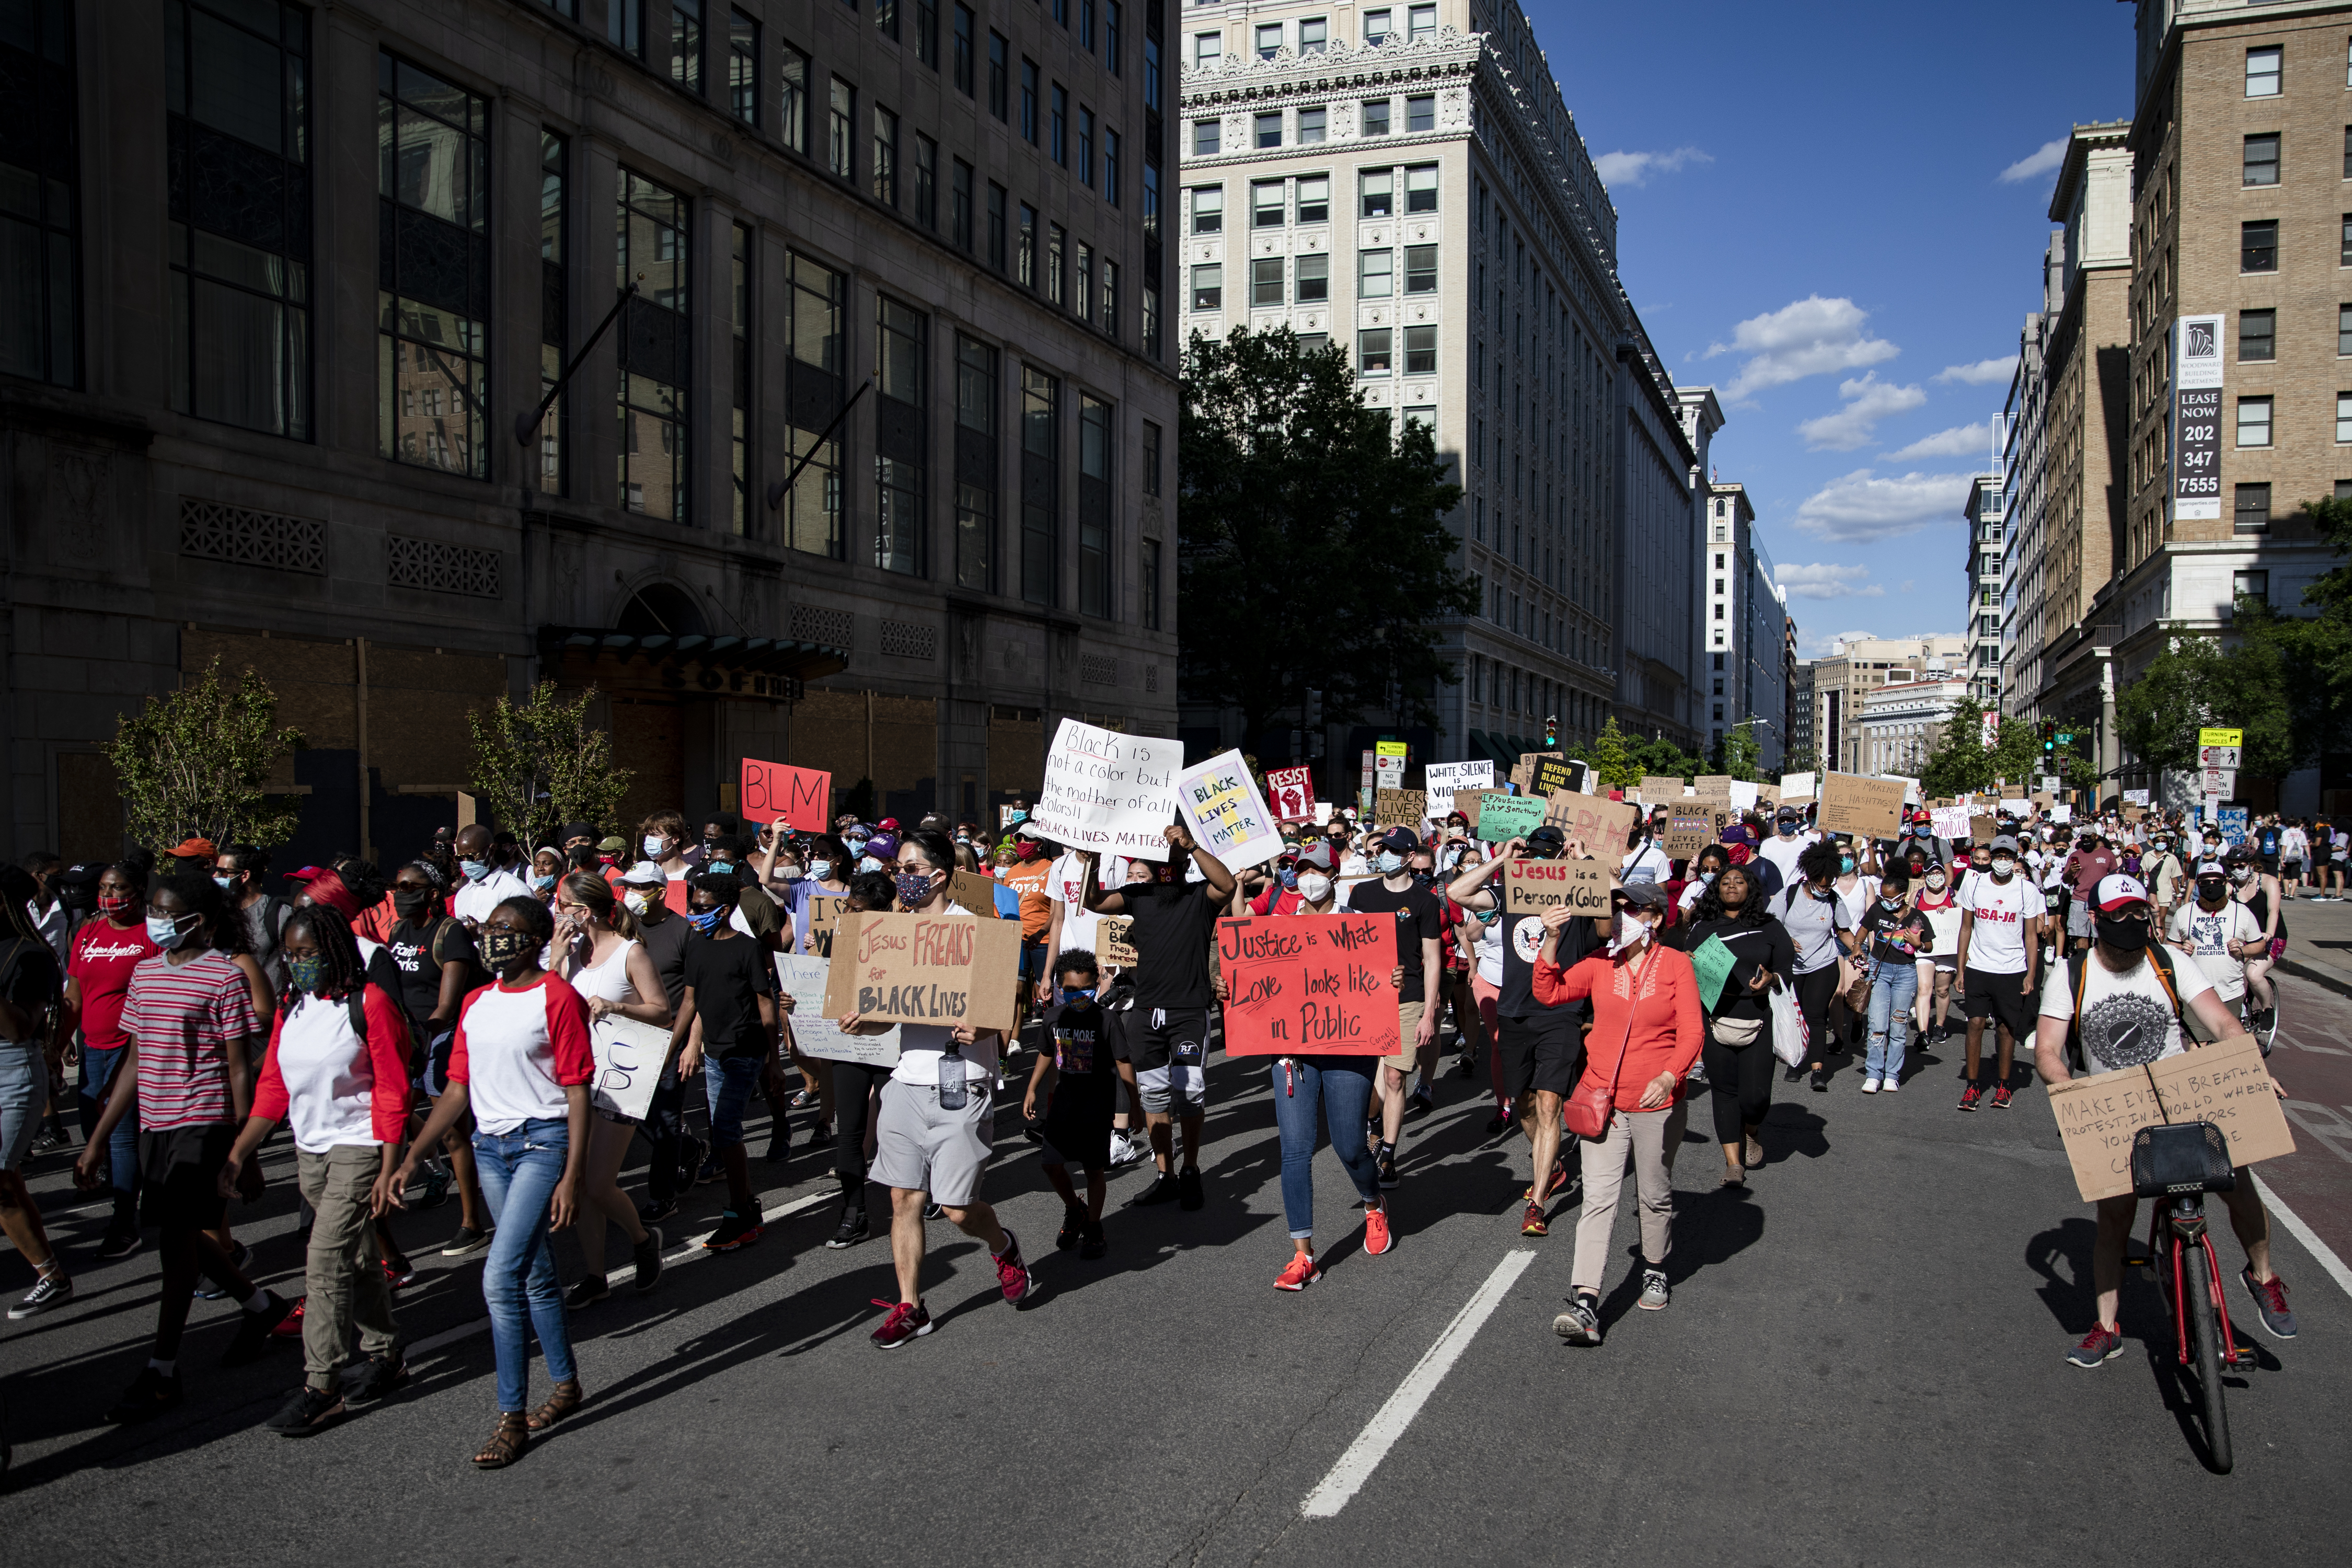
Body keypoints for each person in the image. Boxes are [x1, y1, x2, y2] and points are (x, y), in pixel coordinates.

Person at [2034, 873, 2299, 1364]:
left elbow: (2221, 1022)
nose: (2133, 922)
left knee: (2239, 1180)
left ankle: (2263, 1276)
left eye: (2140, 912)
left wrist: (2251, 1067)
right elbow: (2049, 1051)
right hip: (2115, 1108)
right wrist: (2068, 1089)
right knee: (2114, 1218)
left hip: (2183, 1098)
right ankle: (2107, 1326)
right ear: (2096, 919)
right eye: (2120, 915)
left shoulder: (2171, 962)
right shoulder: (2072, 974)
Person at [74, 874, 291, 1422]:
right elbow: (135, 1061)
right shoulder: (145, 974)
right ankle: (261, 1306)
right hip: (157, 1123)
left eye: (165, 912)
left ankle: (162, 1371)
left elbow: (240, 1066)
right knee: (183, 1234)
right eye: (152, 909)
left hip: (205, 1123)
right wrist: (99, 1139)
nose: (155, 919)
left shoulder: (223, 977)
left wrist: (246, 1151)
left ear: (200, 920)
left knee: (175, 1245)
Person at [386, 894, 593, 1467]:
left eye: (509, 929)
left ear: (535, 940)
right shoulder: (476, 1001)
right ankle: (567, 1385)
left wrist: (573, 1175)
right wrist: (412, 1156)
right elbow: (456, 1090)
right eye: (492, 927)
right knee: (534, 1275)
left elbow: (578, 1090)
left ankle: (511, 1417)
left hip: (541, 1145)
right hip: (490, 1149)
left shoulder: (558, 996)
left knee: (500, 1280)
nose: (495, 936)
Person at [217, 907, 412, 1434]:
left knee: (324, 1261)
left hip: (360, 1146)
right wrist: (240, 1150)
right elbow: (274, 1089)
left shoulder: (368, 1003)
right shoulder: (292, 1008)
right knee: (357, 1254)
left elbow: (393, 1087)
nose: (299, 964)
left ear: (335, 952)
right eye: (292, 955)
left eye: (308, 954)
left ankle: (320, 1386)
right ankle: (385, 1354)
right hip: (312, 1151)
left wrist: (391, 1165)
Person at [841, 829, 1035, 1347]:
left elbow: (1004, 1006)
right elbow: (887, 1018)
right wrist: (861, 1021)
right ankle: (911, 1307)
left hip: (961, 1081)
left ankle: (1003, 1246)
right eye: (897, 870)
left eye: (908, 869)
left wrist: (986, 1027)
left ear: (938, 875)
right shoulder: (888, 935)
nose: (900, 878)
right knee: (904, 1199)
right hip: (906, 1082)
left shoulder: (978, 932)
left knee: (956, 1208)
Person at [1540, 881, 1703, 1347]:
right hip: (1602, 1101)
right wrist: (1551, 938)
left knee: (1654, 1194)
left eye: (1633, 907)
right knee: (1598, 1199)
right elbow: (1549, 993)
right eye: (1619, 907)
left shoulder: (1675, 965)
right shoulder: (1599, 964)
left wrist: (1671, 1075)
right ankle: (1585, 1302)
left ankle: (1654, 1269)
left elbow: (1692, 1030)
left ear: (1656, 917)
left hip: (1656, 1101)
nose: (1623, 913)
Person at [1445, 826, 1595, 1233]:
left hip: (1561, 1011)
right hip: (1514, 1012)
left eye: (1550, 854)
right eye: (1534, 853)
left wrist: (1584, 860)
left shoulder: (1579, 894)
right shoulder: (1510, 890)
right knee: (1525, 1104)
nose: (1541, 860)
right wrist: (1500, 860)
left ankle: (1539, 1200)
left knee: (1549, 1105)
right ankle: (1554, 1165)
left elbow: (1613, 901)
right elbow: (1457, 894)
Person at [1082, 821, 1237, 1210]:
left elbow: (1229, 886)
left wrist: (1192, 845)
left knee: (1189, 1091)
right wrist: (1093, 862)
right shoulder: (1137, 895)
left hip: (1189, 1012)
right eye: (1160, 862)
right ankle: (1165, 1174)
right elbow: (1095, 903)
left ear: (1186, 863)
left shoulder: (1201, 896)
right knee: (1153, 1094)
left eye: (1176, 859)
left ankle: (1191, 1169)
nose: (1168, 866)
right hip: (1146, 1012)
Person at [552, 871, 671, 1301]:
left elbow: (662, 1011)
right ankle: (595, 1274)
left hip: (619, 1077)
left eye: (562, 904)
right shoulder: (568, 954)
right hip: (577, 1078)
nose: (555, 910)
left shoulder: (630, 953)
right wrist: (554, 959)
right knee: (580, 1181)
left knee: (599, 1183)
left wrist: (614, 1005)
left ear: (583, 912)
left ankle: (642, 1239)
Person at [383, 860, 495, 1254]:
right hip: (405, 1041)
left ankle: (471, 1222)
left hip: (440, 1039)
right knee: (389, 1118)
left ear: (432, 894)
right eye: (397, 886)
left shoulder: (449, 934)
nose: (400, 893)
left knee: (452, 1132)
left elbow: (446, 1006)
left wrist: (421, 1036)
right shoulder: (397, 931)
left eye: (410, 886)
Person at [668, 871, 779, 1253]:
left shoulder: (746, 949)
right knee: (723, 1133)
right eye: (692, 907)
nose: (694, 913)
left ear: (725, 910)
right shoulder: (696, 946)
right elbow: (689, 1001)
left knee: (727, 1131)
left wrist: (774, 1061)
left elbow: (766, 1003)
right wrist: (669, 1051)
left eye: (702, 908)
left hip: (744, 1053)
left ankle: (738, 1216)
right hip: (715, 1054)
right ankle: (749, 1207)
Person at [1677, 860, 1791, 1187]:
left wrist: (1772, 979)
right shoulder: (1701, 928)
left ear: (1750, 888)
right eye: (1725, 881)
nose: (1731, 886)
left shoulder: (1770, 926)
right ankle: (1733, 1163)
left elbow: (1787, 967)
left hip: (1758, 1018)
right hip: (1715, 1020)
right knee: (1724, 1092)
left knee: (1755, 1098)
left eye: (1738, 881)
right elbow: (1686, 975)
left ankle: (1751, 1130)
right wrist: (1686, 964)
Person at [66, 862, 160, 1258]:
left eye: (119, 888)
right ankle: (116, 1193)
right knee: (93, 1128)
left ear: (139, 889)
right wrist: (57, 1045)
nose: (109, 896)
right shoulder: (88, 932)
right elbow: (75, 993)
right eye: (105, 888)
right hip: (92, 1048)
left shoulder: (152, 935)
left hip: (131, 1050)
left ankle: (124, 1222)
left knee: (120, 1138)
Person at [1348, 828, 1445, 1188]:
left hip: (1409, 998)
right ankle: (1375, 1125)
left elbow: (1432, 959)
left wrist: (1430, 1012)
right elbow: (1346, 947)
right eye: (1381, 848)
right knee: (1369, 1083)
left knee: (1394, 1076)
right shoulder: (1362, 893)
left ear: (1408, 857)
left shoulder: (1425, 901)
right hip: (1367, 999)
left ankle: (1388, 1154)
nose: (1384, 854)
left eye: (1392, 850)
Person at [1, 868, 70, 1319]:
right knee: (9, 1182)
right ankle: (52, 1275)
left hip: (12, 1074)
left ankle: (52, 1277)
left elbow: (20, 1029)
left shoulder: (31, 955)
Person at [820, 871, 903, 1248]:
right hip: (850, 1048)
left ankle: (916, 1196)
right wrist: (799, 1000)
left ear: (884, 910)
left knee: (897, 1131)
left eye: (858, 910)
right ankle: (854, 1213)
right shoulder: (838, 942)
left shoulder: (905, 944)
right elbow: (821, 986)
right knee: (849, 1131)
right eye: (848, 908)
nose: (849, 916)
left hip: (891, 1049)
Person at [615, 861, 701, 1223]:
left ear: (661, 892)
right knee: (629, 1113)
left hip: (671, 1038)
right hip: (627, 1039)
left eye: (640, 888)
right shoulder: (622, 929)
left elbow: (696, 996)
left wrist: (691, 1043)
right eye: (628, 888)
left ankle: (662, 1196)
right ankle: (689, 1148)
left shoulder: (684, 932)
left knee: (665, 1115)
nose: (632, 895)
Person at [1022, 949, 1117, 1261]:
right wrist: (1032, 1088)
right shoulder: (1052, 1018)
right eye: (1071, 990)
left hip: (1096, 1107)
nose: (1079, 995)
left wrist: (1133, 1106)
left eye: (1086, 989)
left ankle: (1094, 1227)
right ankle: (1075, 1210)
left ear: (1096, 985)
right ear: (1061, 988)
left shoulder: (1106, 1019)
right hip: (1064, 1104)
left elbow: (1124, 1060)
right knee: (1050, 1163)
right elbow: (1047, 1053)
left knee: (1093, 1170)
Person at [1954, 834, 2040, 1111]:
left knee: (2006, 1028)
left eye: (2008, 857)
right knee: (1975, 1024)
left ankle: (2004, 1086)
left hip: (2012, 969)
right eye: (1998, 856)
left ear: (2016, 859)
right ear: (1990, 858)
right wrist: (1960, 969)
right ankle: (1972, 1086)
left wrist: (2030, 973)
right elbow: (1965, 927)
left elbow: (2031, 936)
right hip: (1979, 966)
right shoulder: (1975, 884)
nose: (2003, 862)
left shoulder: (2027, 890)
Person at [1771, 839, 1849, 1093]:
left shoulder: (1834, 901)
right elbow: (1770, 925)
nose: (1826, 890)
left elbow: (1845, 931)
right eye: (1822, 885)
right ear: (1810, 877)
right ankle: (1795, 1062)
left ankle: (1817, 1070)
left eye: (1830, 885)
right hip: (1790, 966)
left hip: (1823, 963)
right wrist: (1785, 940)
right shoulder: (1789, 894)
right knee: (1797, 1015)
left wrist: (1857, 947)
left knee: (1815, 1016)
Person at [1853, 865, 1931, 1094]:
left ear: (1903, 895)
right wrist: (1858, 946)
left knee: (1898, 1027)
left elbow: (1930, 945)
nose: (1885, 901)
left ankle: (1892, 1075)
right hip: (1880, 970)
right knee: (1877, 1025)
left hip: (1906, 974)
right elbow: (1863, 928)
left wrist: (1919, 944)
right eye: (1882, 897)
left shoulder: (1918, 917)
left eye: (1890, 897)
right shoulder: (1877, 910)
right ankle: (1873, 1074)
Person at [2167, 859, 2264, 1035]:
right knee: (2199, 1045)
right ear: (2198, 884)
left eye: (2217, 882)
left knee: (2227, 1044)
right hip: (2194, 992)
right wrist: (2181, 949)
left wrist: (2242, 950)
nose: (2211, 886)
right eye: (2205, 883)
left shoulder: (2241, 912)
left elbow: (2260, 944)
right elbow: (2170, 944)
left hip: (2230, 993)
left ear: (2225, 883)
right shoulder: (2184, 913)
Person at [2226, 847, 2284, 1034]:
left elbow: (2273, 911)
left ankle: (2267, 1009)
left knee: (2253, 975)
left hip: (2271, 937)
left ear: (2252, 864)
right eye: (2232, 866)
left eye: (2241, 865)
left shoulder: (2268, 882)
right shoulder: (2230, 885)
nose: (2237, 869)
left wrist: (2268, 933)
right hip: (2244, 938)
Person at [1912, 861, 1963, 1042]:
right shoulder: (1917, 896)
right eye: (1932, 873)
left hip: (1946, 951)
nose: (1936, 876)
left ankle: (1940, 1026)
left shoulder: (1953, 895)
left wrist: (1950, 911)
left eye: (1939, 872)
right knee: (1924, 988)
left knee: (1942, 990)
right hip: (1925, 950)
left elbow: (1961, 921)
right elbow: (1910, 918)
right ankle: (1923, 1032)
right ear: (1925, 876)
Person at [450, 824, 533, 929]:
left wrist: (482, 934)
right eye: (460, 858)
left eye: (471, 857)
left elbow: (529, 937)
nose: (466, 863)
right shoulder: (462, 895)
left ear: (492, 851)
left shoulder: (516, 892)